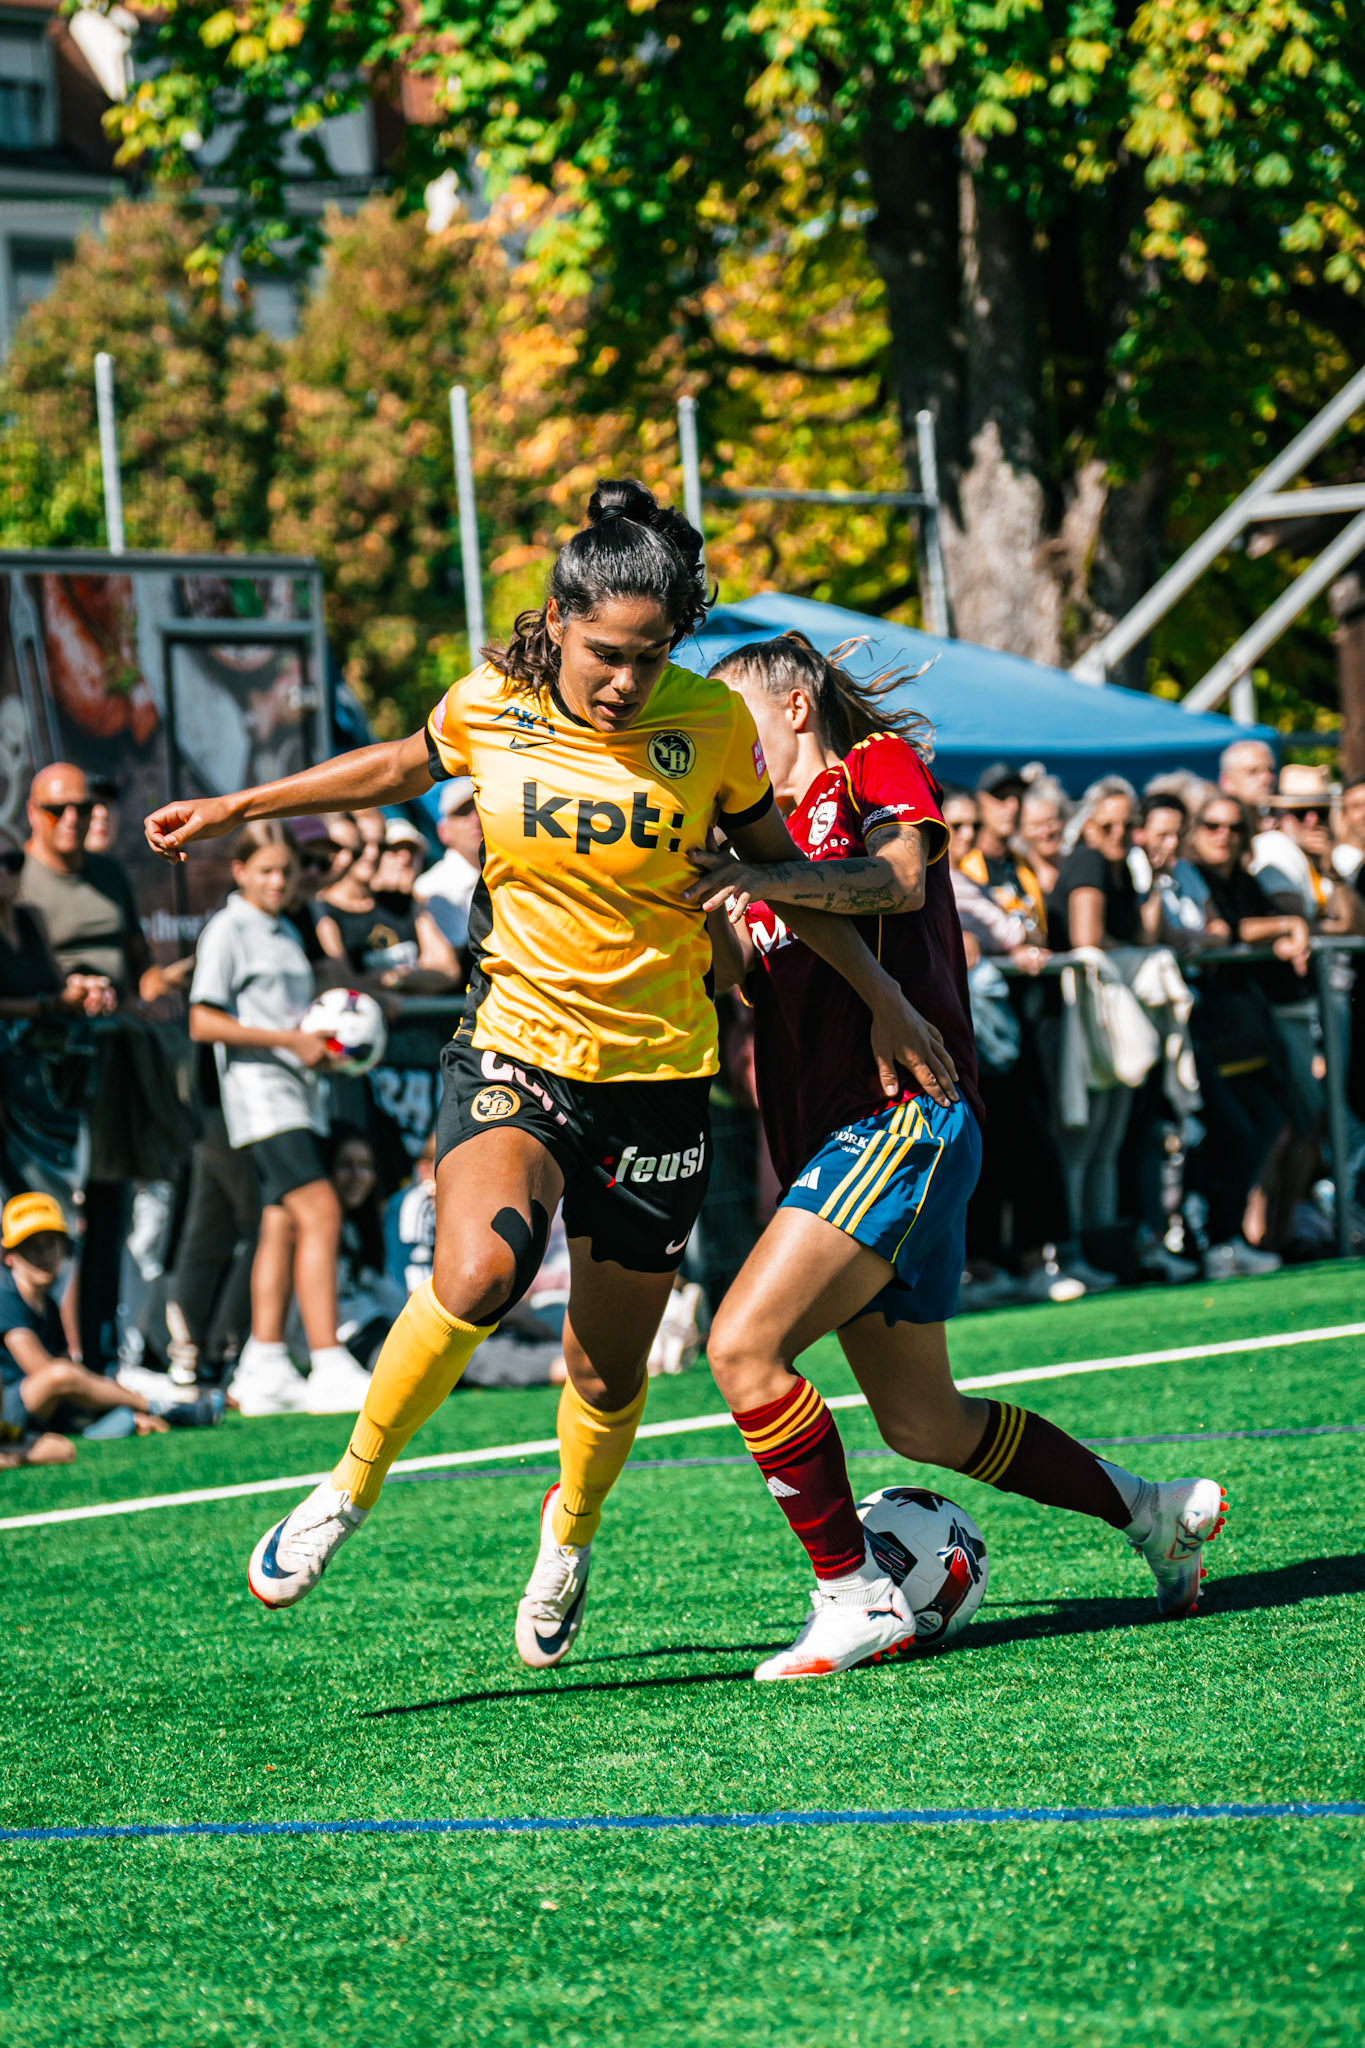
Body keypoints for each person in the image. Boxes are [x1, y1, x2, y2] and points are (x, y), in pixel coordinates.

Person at [143, 478, 949, 1639]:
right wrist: (240, 805)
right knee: (477, 1271)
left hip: (661, 1076)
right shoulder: (494, 702)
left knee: (610, 1370)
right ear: (559, 621)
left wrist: (883, 997)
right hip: (514, 1045)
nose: (625, 680)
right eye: (606, 653)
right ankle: (344, 1486)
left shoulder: (711, 728)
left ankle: (567, 1532)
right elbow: (395, 764)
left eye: (651, 655)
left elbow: (785, 881)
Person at [682, 635, 1224, 1679]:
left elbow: (893, 880)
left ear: (794, 708)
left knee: (741, 1349)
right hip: (849, 1142)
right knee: (924, 1419)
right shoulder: (762, 844)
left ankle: (856, 1594)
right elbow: (740, 976)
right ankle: (1151, 1513)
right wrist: (700, 899)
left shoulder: (869, 760)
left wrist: (756, 870)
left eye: (729, 720)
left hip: (896, 1122)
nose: (716, 748)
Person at [187, 822, 374, 1417]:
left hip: (298, 1089)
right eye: (265, 870)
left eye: (287, 872)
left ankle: (265, 1361)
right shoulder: (228, 927)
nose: (277, 881)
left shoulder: (288, 926)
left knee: (280, 1222)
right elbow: (201, 1021)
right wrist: (289, 1042)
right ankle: (326, 1359)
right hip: (260, 1092)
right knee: (319, 1210)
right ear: (239, 871)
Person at [0, 1191, 220, 1451]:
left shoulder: (46, 1303)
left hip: (32, 1414)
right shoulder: (5, 1297)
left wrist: (112, 1403)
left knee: (66, 1447)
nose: (44, 1253)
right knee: (61, 1382)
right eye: (31, 1246)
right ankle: (160, 1405)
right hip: (8, 1414)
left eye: (51, 1242)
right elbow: (49, 1373)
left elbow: (71, 1377)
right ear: (9, 1255)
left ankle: (140, 1411)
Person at [1187, 795, 1303, 1277]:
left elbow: (1242, 925)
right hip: (1199, 1027)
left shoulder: (1243, 878)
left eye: (1234, 827)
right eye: (1212, 825)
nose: (1223, 835)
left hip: (1240, 1033)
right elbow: (1220, 928)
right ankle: (1207, 1240)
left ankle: (1228, 1237)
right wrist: (1283, 925)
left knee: (1263, 1122)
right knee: (1231, 1130)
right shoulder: (1190, 874)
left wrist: (1282, 927)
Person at [957, 763, 1047, 936]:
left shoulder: (1025, 864)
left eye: (1018, 798)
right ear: (979, 801)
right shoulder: (962, 864)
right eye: (1002, 797)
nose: (1013, 806)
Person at [414, 775, 483, 958]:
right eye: (463, 812)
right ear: (443, 831)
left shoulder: (512, 874)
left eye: (481, 809)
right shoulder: (429, 887)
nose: (475, 819)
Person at [1016, 779, 1071, 904]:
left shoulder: (1076, 867)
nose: (1045, 832)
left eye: (1050, 822)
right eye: (1035, 826)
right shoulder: (1016, 874)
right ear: (1020, 830)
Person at [1219, 738, 1276, 818]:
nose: (1267, 779)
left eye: (1270, 770)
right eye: (1253, 771)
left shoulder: (1281, 822)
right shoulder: (1218, 827)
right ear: (1227, 781)